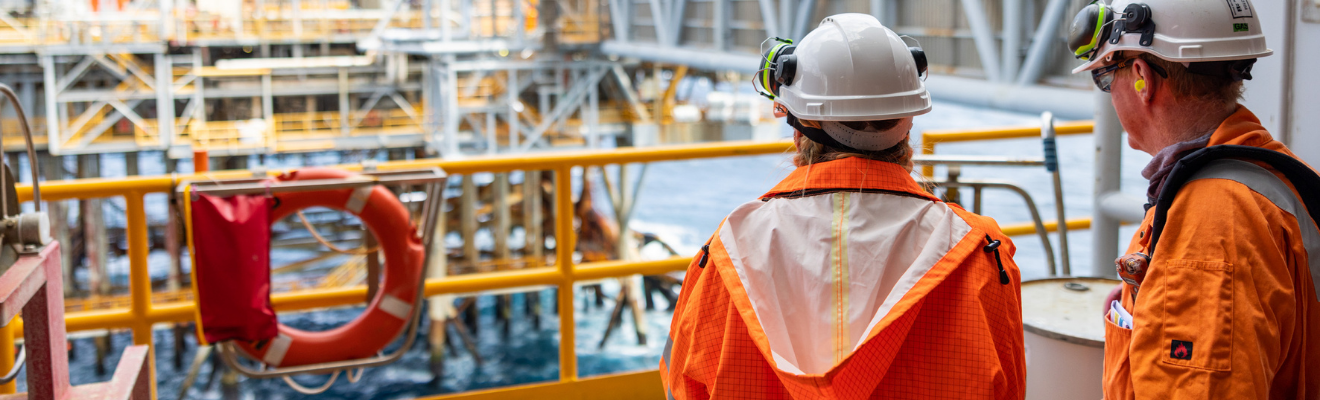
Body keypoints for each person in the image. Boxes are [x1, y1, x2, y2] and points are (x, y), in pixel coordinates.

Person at [658, 13, 1026, 399]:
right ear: (908, 124)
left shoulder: (727, 252)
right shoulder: (983, 253)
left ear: (800, 132)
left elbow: (681, 385)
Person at [1066, 0, 1320, 398]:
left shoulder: (1211, 221)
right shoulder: (1272, 174)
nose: (1108, 94)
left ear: (1141, 77)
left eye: (1103, 77)